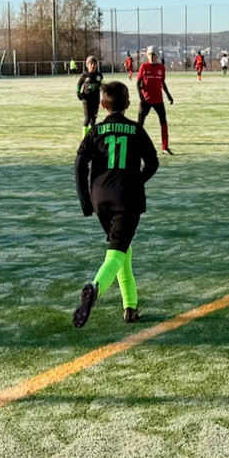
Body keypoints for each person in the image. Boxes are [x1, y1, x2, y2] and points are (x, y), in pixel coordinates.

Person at [72, 80, 160, 327]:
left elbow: (79, 165)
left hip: (100, 199)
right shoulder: (136, 130)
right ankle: (94, 287)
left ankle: (130, 307)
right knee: (116, 253)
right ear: (129, 105)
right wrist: (137, 181)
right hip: (127, 199)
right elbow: (153, 163)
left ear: (102, 104)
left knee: (122, 250)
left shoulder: (95, 131)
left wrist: (84, 199)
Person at [136, 46, 175, 155]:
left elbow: (162, 83)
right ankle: (135, 145)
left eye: (153, 54)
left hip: (158, 100)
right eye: (149, 54)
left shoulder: (161, 68)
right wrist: (141, 97)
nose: (151, 57)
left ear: (157, 56)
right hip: (146, 100)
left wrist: (168, 95)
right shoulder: (143, 67)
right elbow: (138, 83)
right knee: (140, 124)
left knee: (163, 122)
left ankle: (165, 147)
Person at [76, 55, 105, 137]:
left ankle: (91, 137)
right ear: (87, 65)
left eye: (94, 64)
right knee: (87, 118)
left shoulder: (99, 76)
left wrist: (105, 91)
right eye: (91, 63)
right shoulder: (84, 76)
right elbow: (78, 85)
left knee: (93, 119)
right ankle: (84, 138)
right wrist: (79, 94)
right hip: (87, 100)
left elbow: (102, 85)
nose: (93, 65)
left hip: (96, 100)